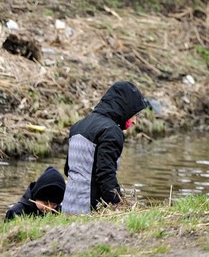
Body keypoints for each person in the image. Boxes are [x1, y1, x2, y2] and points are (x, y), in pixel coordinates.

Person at [61, 81, 149, 213]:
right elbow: (105, 175)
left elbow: (68, 169)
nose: (134, 122)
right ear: (124, 108)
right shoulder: (111, 131)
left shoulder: (78, 125)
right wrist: (119, 204)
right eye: (134, 115)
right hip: (89, 212)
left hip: (68, 207)